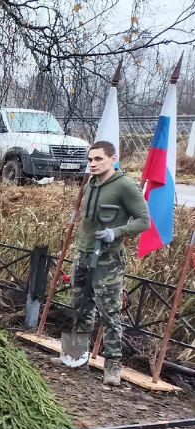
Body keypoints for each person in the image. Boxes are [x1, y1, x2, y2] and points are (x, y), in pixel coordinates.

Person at [64, 140, 149, 386]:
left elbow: (144, 221)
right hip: (83, 254)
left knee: (109, 314)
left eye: (98, 159)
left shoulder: (125, 186)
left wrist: (116, 232)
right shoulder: (90, 184)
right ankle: (76, 355)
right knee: (80, 307)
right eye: (90, 160)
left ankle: (112, 364)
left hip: (108, 260)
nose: (93, 164)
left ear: (113, 159)